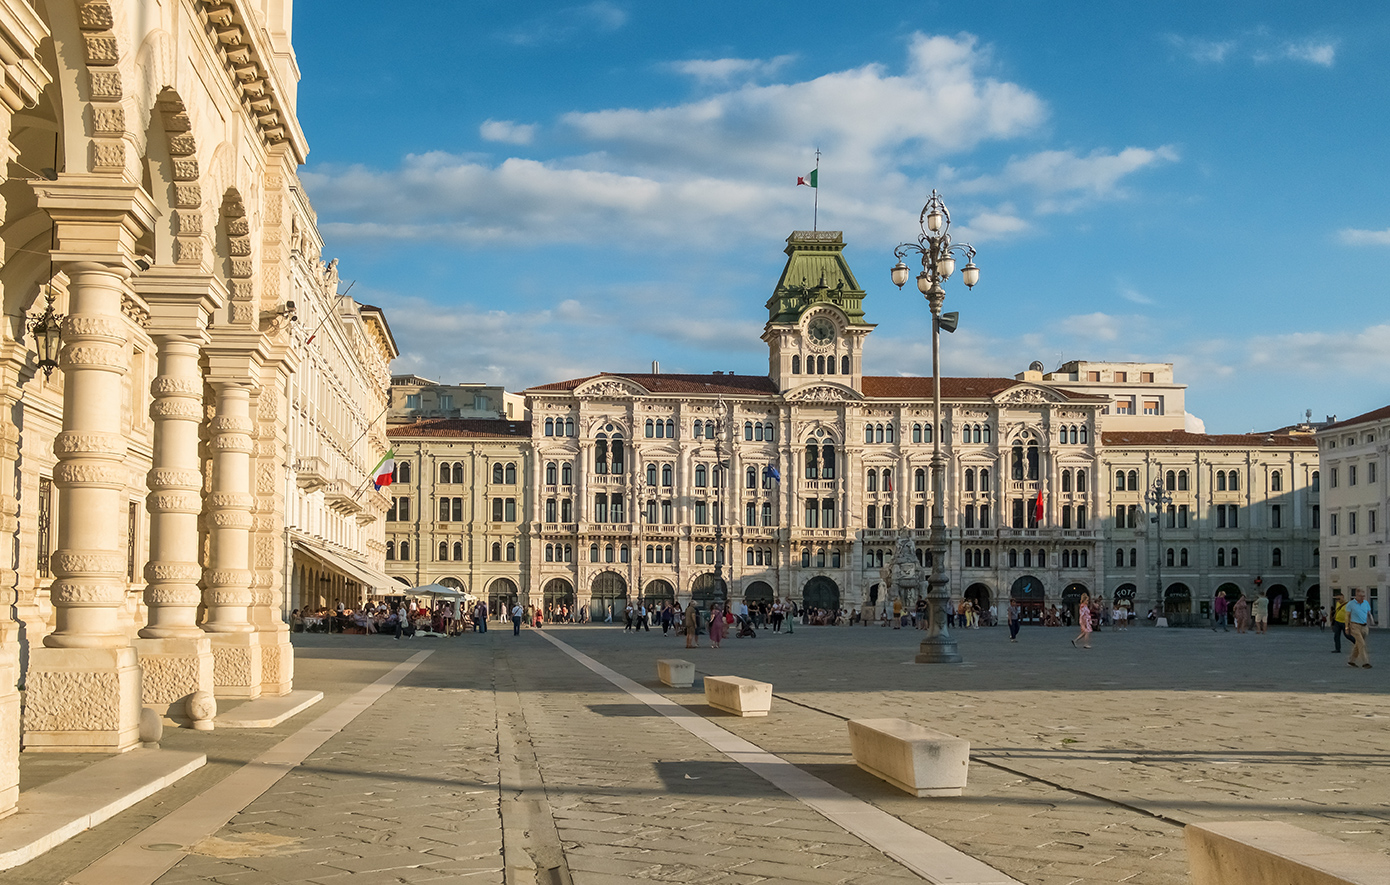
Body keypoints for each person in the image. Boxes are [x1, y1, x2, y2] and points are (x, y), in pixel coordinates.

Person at [1346, 588, 1376, 668]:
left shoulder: (1366, 603)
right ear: (1356, 595)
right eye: (1360, 596)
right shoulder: (1351, 604)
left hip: (1364, 626)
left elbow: (1369, 613)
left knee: (1358, 644)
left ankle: (1351, 661)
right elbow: (1347, 616)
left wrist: (1372, 620)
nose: (1362, 598)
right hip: (1354, 626)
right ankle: (1365, 662)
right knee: (1362, 644)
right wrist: (1346, 627)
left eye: (1363, 596)